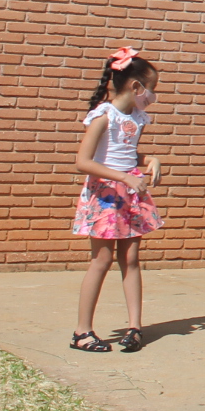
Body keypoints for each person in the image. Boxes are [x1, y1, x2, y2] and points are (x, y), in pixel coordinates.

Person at [71, 48, 164, 354]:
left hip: (130, 195)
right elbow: (84, 161)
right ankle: (82, 331)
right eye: (152, 90)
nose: (152, 97)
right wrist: (124, 177)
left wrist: (148, 159)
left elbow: (124, 152)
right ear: (136, 87)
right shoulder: (103, 116)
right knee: (101, 260)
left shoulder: (138, 117)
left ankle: (135, 327)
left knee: (131, 259)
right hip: (106, 196)